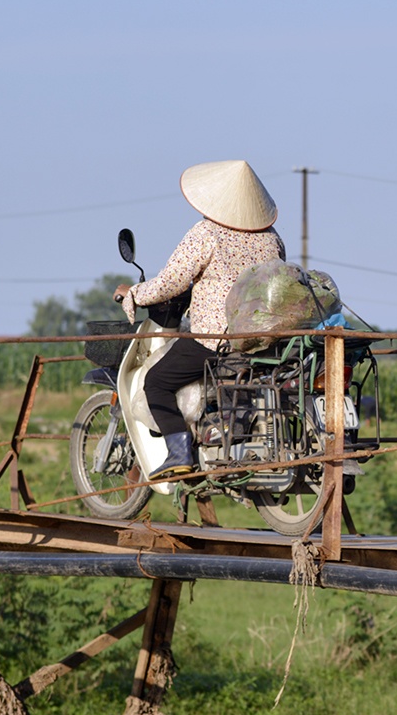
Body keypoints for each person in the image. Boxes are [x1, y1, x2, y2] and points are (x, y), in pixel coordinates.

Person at [116, 160, 286, 479]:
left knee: (157, 381)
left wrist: (135, 294)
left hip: (216, 340)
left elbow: (172, 281)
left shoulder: (206, 232)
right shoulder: (271, 237)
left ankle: (179, 452)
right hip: (265, 338)